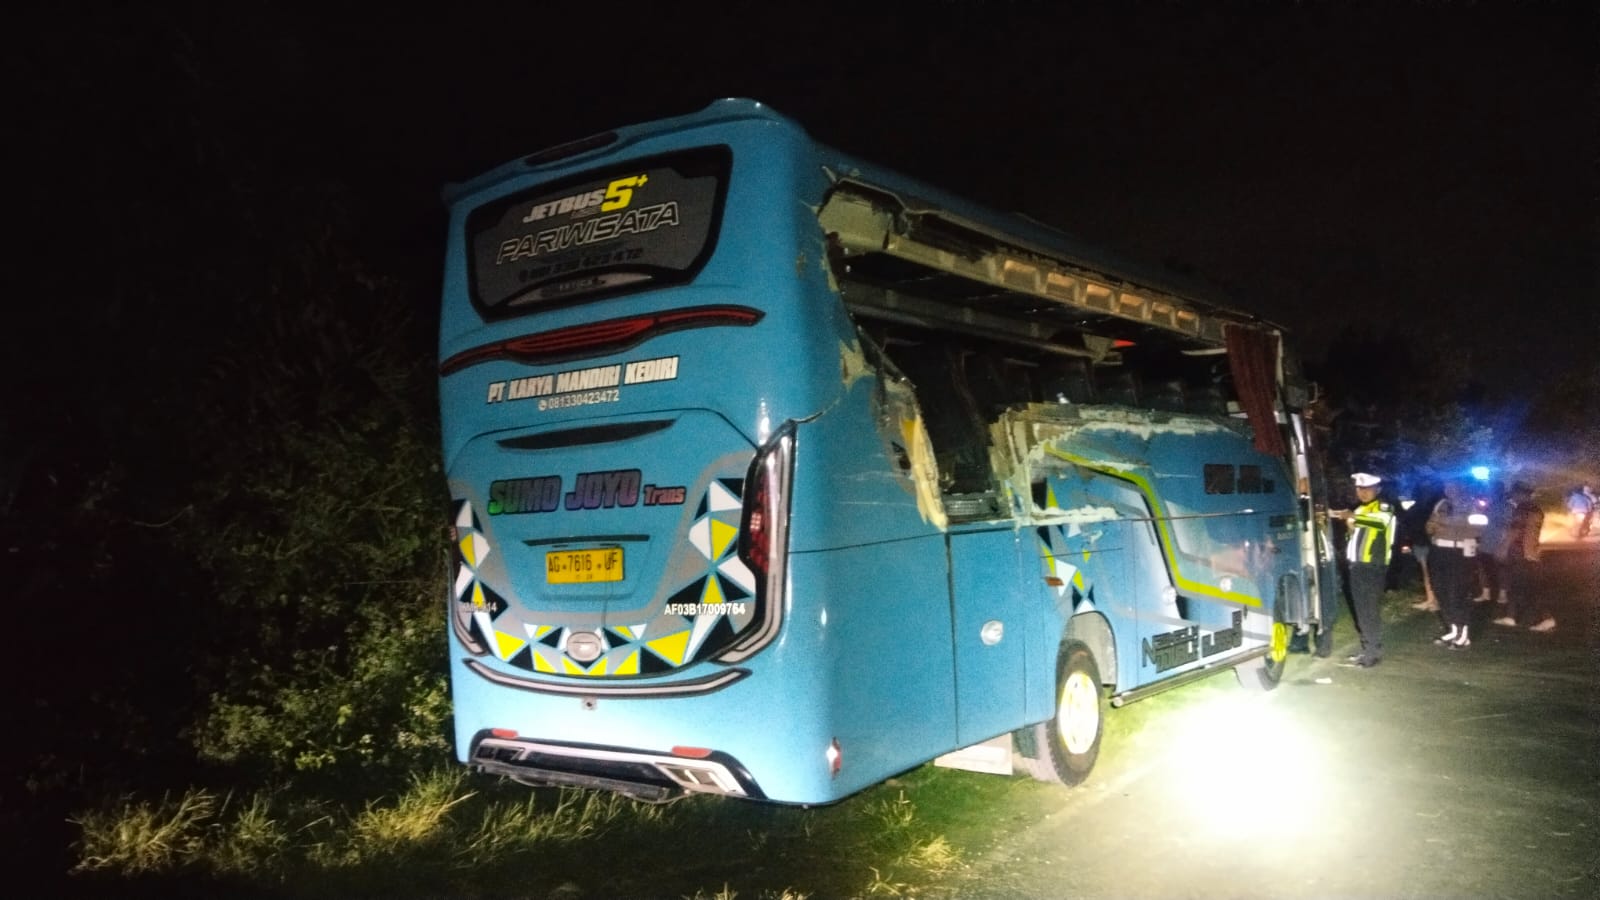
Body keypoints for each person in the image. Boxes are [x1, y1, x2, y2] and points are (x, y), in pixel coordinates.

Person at [1334, 472, 1396, 667]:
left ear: (1378, 489)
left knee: (1369, 610)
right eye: (1360, 489)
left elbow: (1379, 523)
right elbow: (1354, 537)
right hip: (1358, 566)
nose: (1363, 492)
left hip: (1372, 566)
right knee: (1361, 610)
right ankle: (1367, 649)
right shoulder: (1361, 509)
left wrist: (1352, 517)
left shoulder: (1384, 507)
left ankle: (1372, 653)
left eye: (1368, 489)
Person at [1426, 479, 1484, 649]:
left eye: (1453, 486)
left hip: (1459, 553)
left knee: (1457, 592)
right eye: (1447, 487)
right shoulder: (1441, 504)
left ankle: (1463, 634)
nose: (1449, 490)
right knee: (1440, 590)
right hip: (1439, 551)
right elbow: (1430, 527)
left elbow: (1477, 529)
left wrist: (1445, 525)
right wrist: (1437, 526)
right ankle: (1452, 629)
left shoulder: (1473, 506)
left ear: (1462, 487)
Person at [1493, 483, 1555, 632]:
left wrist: (1503, 547)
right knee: (1519, 585)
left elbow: (1515, 530)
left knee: (1526, 587)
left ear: (1520, 494)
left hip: (1520, 553)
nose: (1513, 497)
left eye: (1514, 494)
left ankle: (1546, 618)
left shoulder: (1522, 509)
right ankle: (1511, 617)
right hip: (1531, 552)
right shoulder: (1536, 509)